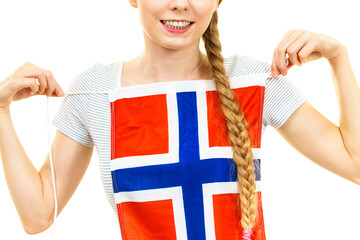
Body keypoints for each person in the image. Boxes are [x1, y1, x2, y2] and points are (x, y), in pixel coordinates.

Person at [0, 0, 359, 239]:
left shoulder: (252, 82)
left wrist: (339, 57)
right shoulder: (96, 92)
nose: (180, 4)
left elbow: (355, 164)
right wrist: (0, 110)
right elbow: (38, 214)